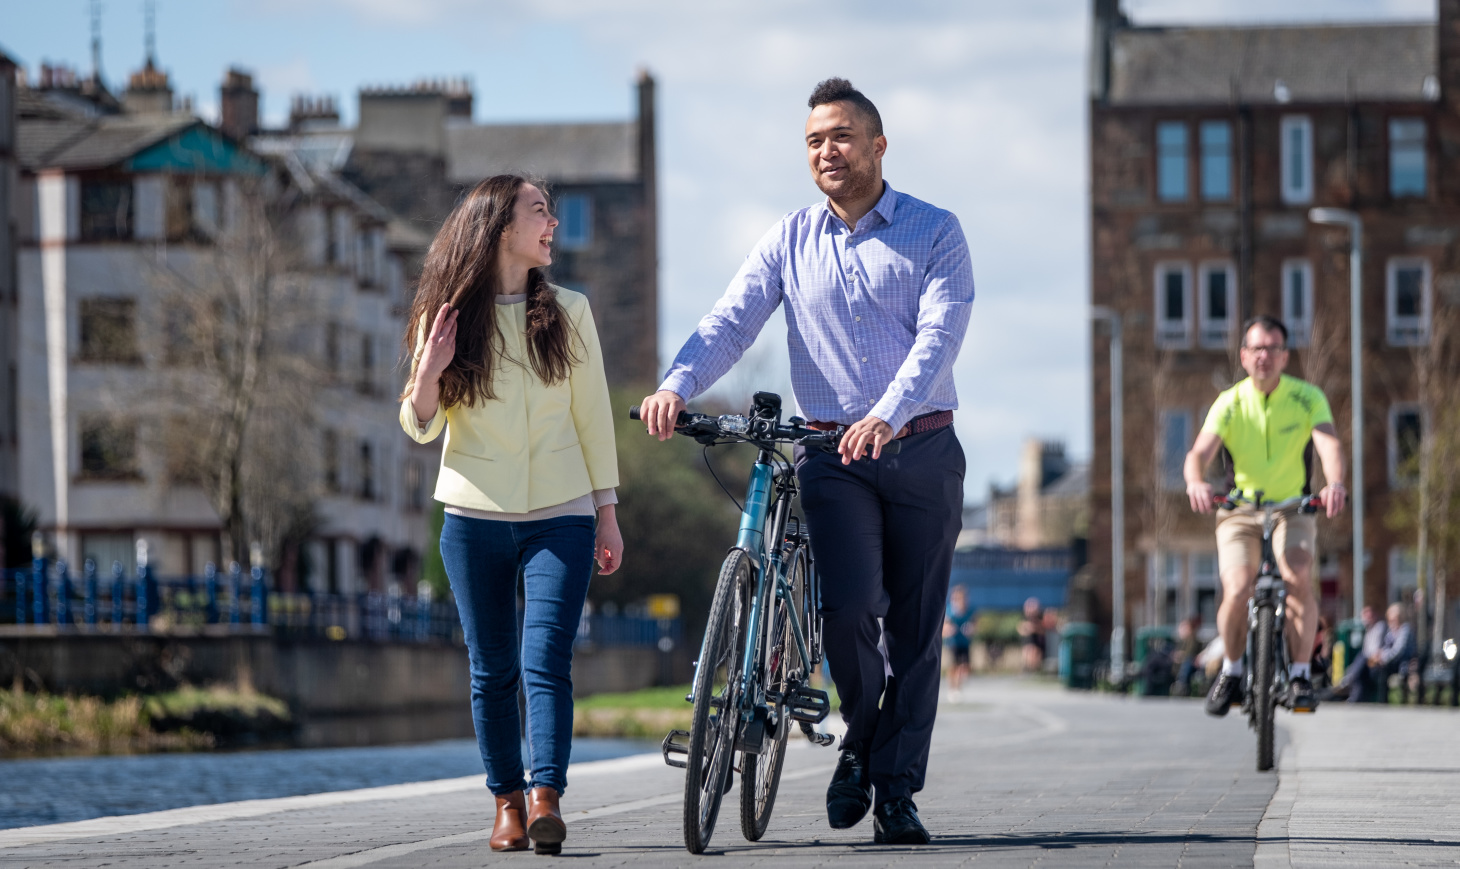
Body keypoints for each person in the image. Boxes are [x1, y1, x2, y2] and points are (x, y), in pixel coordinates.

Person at [639, 77, 974, 845]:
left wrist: (888, 414)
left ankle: (891, 788)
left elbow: (939, 336)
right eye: (815, 140)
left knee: (917, 634)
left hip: (920, 445)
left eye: (842, 136)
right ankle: (862, 734)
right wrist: (676, 383)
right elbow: (732, 318)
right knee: (849, 611)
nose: (827, 150)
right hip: (829, 452)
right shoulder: (789, 239)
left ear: (878, 146)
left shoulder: (936, 231)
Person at [399, 175, 623, 855]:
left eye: (552, 213)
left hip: (563, 514)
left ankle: (547, 795)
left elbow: (594, 419)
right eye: (539, 213)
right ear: (500, 228)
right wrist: (430, 370)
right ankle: (507, 802)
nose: (552, 223)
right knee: (491, 667)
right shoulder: (442, 317)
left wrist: (607, 513)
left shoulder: (572, 312)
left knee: (545, 657)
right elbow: (417, 426)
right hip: (473, 516)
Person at [1184, 315, 1346, 717]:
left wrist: (1335, 483)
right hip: (1240, 511)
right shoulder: (1230, 402)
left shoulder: (1307, 397)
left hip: (1295, 507)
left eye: (1273, 349)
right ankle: (1233, 671)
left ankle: (1301, 675)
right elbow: (1198, 455)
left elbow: (1329, 447)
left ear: (1285, 356)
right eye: (1256, 348)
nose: (1264, 357)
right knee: (1238, 588)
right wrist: (1195, 482)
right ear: (1243, 355)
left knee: (1298, 578)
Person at [1346, 603, 1415, 704]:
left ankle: (1377, 699)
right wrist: (1379, 654)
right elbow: (1386, 647)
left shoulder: (1405, 629)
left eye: (1393, 619)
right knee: (1366, 666)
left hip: (1400, 664)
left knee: (1372, 666)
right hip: (1388, 661)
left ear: (1399, 617)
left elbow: (1397, 651)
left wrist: (1382, 657)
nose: (1391, 622)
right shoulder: (1392, 630)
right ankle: (1358, 694)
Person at [943, 585, 974, 700]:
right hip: (953, 643)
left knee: (965, 667)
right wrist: (948, 629)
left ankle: (958, 687)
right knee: (953, 666)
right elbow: (944, 627)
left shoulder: (969, 610)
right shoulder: (950, 610)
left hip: (965, 643)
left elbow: (975, 624)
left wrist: (971, 629)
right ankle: (952, 689)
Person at [1017, 597, 1046, 672]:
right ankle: (1027, 668)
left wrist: (1033, 628)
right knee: (1028, 650)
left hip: (1039, 643)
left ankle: (1034, 668)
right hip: (1028, 642)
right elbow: (1021, 629)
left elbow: (1042, 629)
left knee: (1035, 651)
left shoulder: (1040, 618)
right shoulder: (1024, 619)